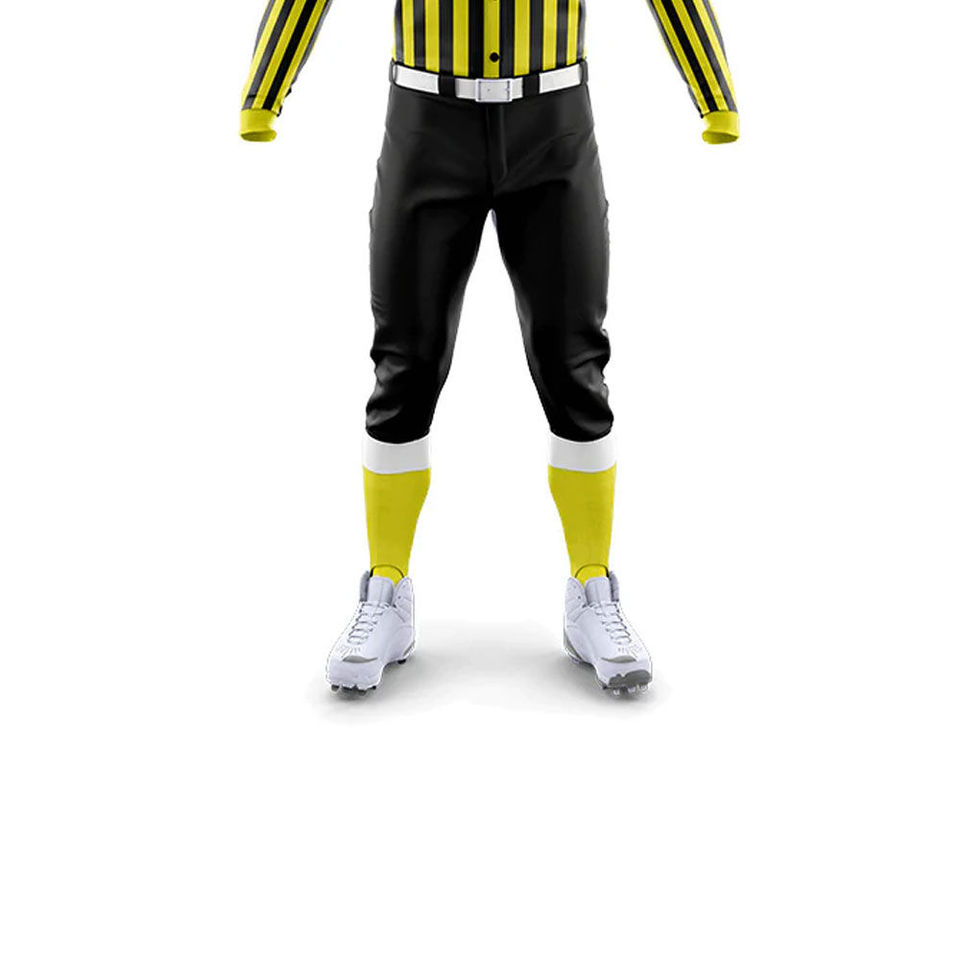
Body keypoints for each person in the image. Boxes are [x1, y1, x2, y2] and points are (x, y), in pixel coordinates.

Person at [239, 1, 738, 695]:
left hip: (553, 122)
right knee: (406, 358)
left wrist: (713, 92)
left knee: (574, 358)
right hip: (426, 121)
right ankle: (386, 587)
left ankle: (592, 587)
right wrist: (265, 89)